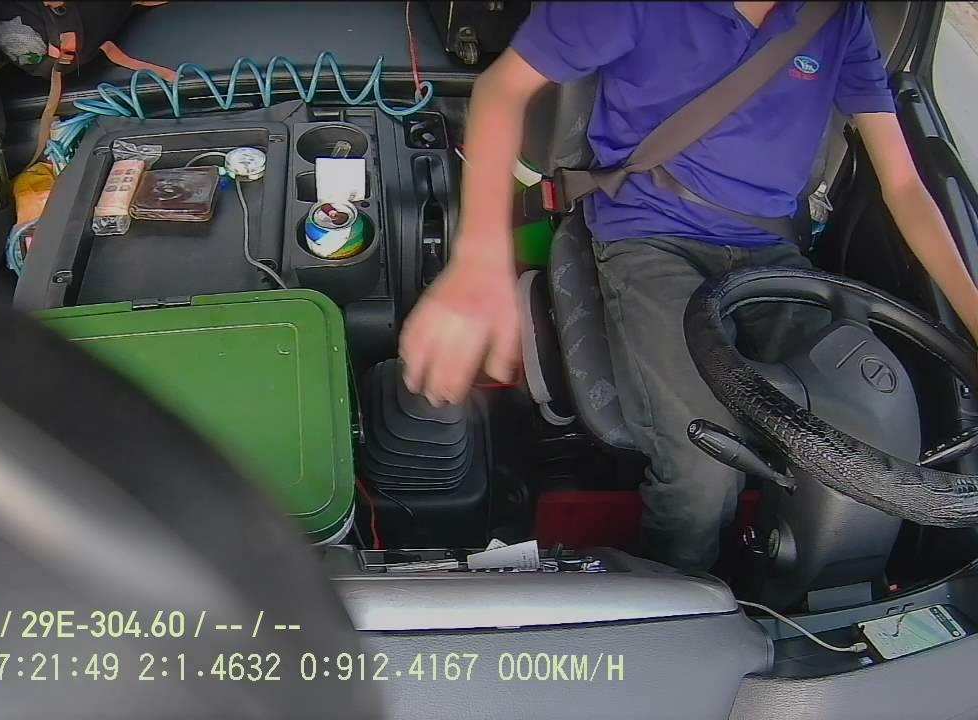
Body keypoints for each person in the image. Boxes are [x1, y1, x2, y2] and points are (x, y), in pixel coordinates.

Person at [398, 1, 978, 572]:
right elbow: (502, 89)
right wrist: (479, 258)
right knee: (704, 463)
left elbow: (904, 185)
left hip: (772, 249)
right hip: (650, 236)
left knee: (866, 434)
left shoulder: (839, 16)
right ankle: (679, 592)